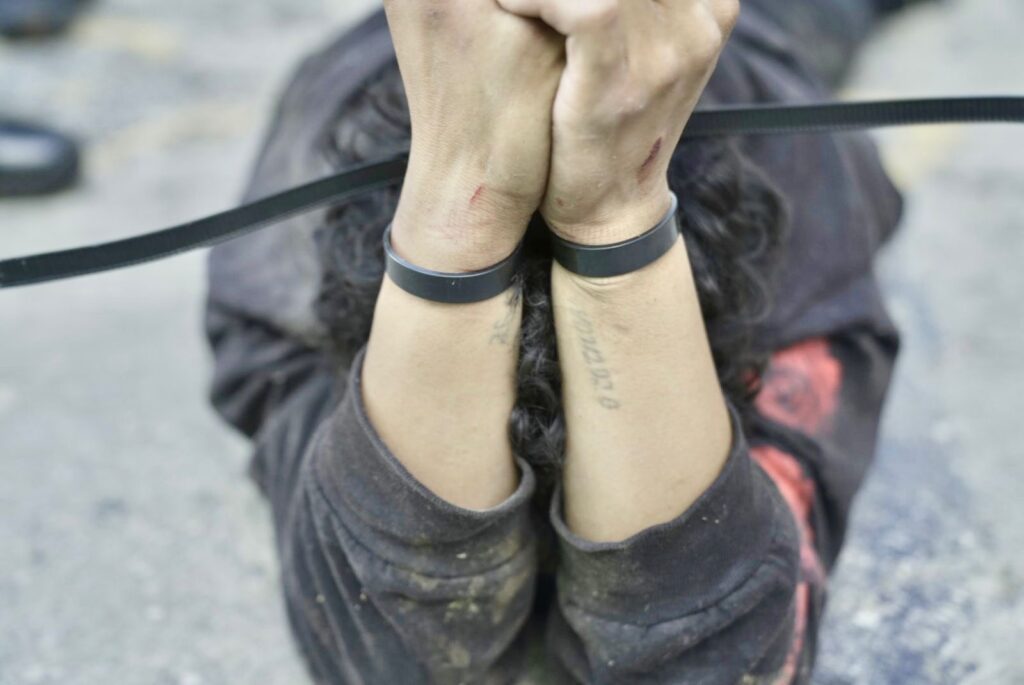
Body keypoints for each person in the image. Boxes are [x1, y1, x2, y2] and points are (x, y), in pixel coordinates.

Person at [205, 0, 907, 682]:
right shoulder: (281, 262)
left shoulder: (806, 208)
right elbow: (385, 657)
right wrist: (462, 200)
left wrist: (616, 213)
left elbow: (716, 657)